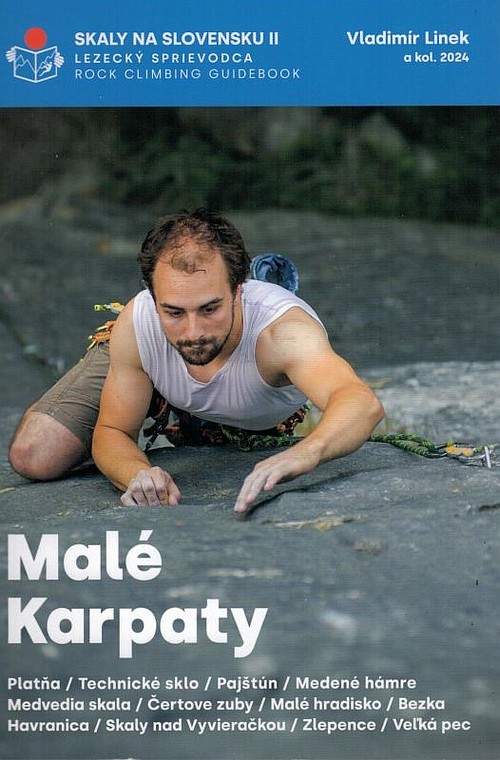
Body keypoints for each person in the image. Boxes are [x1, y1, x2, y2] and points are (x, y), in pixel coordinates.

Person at [9, 209, 384, 513]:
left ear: (238, 289)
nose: (193, 331)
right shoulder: (139, 323)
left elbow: (359, 402)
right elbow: (114, 431)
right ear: (152, 296)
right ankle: (152, 389)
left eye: (209, 308)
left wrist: (304, 454)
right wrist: (138, 473)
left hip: (241, 403)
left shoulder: (282, 335)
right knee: (35, 455)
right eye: (174, 311)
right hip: (155, 360)